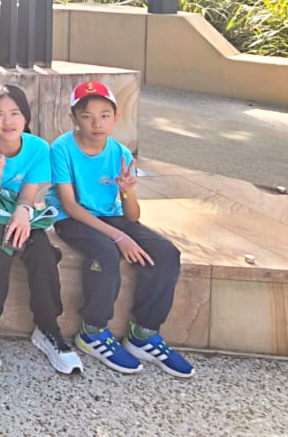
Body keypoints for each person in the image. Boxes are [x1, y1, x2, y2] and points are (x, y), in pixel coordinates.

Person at [51, 81, 194, 377]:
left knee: (166, 253)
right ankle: (92, 331)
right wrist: (118, 237)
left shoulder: (121, 154)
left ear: (116, 118)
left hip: (112, 216)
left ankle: (144, 334)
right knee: (105, 253)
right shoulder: (61, 148)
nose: (97, 123)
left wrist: (128, 191)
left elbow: (132, 215)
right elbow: (71, 206)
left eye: (105, 115)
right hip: (72, 219)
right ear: (73, 118)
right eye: (87, 116)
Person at [0, 83, 82, 373]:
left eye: (15, 113)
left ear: (26, 117)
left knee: (42, 249)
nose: (8, 121)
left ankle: (48, 327)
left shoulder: (38, 148)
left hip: (15, 207)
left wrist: (24, 212)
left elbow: (27, 196)